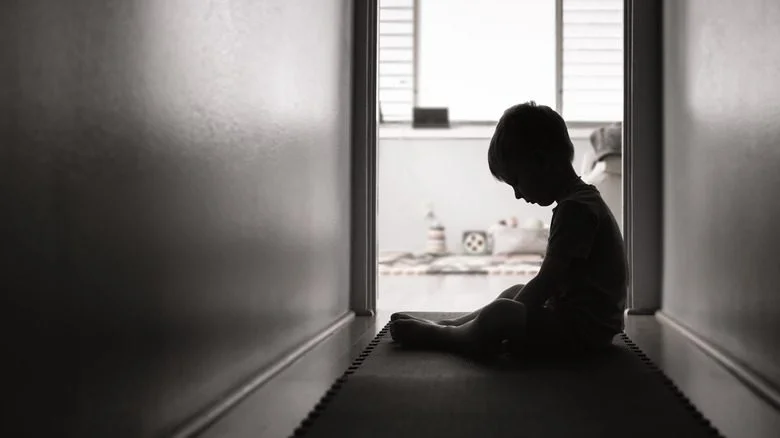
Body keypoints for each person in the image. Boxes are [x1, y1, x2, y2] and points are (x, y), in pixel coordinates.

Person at [389, 102, 628, 358]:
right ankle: (454, 325)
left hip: (584, 334)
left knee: (502, 311)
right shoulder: (581, 200)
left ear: (541, 162)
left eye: (516, 182)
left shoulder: (576, 210)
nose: (517, 195)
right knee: (513, 292)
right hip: (585, 323)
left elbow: (547, 282)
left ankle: (446, 337)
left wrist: (506, 320)